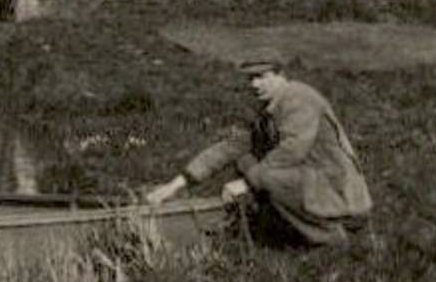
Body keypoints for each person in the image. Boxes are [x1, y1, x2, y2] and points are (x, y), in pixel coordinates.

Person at [146, 54, 371, 246]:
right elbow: (229, 148)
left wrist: (245, 184)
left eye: (261, 77)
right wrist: (172, 187)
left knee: (267, 177)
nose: (254, 84)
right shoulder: (268, 109)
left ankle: (330, 238)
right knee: (245, 160)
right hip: (312, 185)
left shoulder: (299, 98)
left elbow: (292, 151)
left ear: (281, 74)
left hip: (339, 193)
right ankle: (287, 227)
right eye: (250, 78)